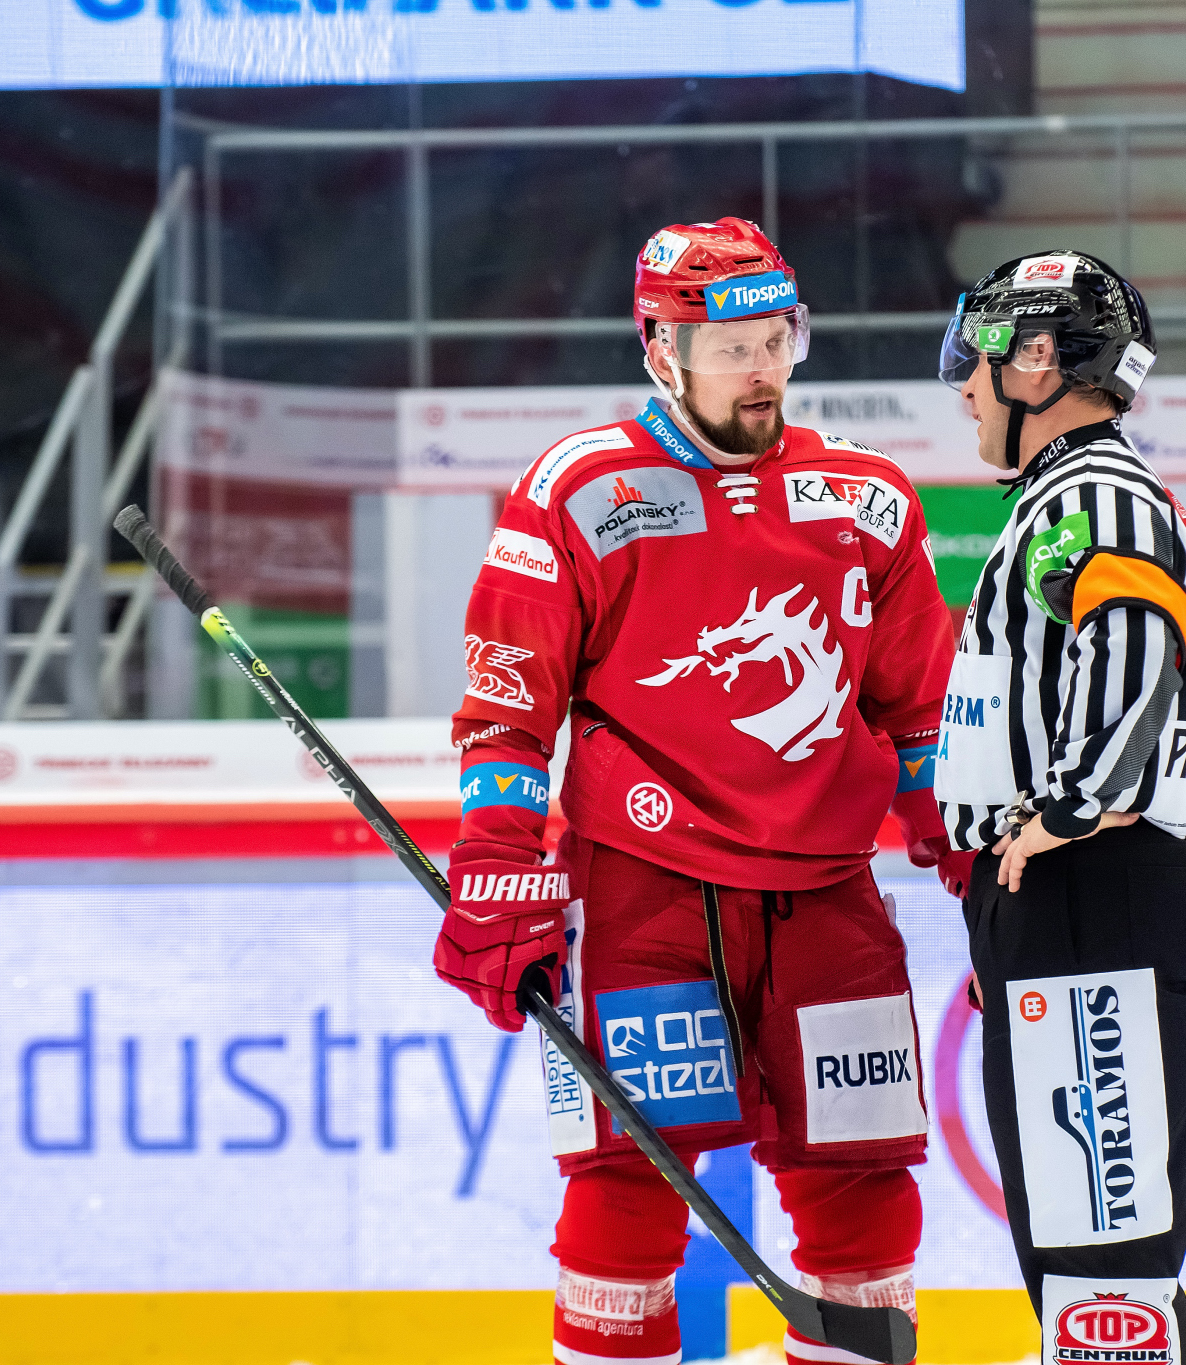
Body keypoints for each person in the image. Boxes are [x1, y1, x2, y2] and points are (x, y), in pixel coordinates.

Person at [433, 217, 969, 1365]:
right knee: (627, 1185)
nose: (762, 370)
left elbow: (920, 707)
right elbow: (508, 706)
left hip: (827, 898)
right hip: (645, 895)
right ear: (659, 351)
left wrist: (966, 845)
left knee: (863, 1188)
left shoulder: (865, 496)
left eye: (777, 342)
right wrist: (497, 861)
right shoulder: (578, 489)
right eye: (732, 349)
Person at [931, 250, 1186, 1365]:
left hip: (1089, 885)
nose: (964, 386)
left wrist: (1069, 808)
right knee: (1084, 1226)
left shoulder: (1092, 494)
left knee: (1101, 1237)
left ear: (1040, 359)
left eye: (979, 358)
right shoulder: (1072, 493)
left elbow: (1136, 647)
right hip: (1076, 891)